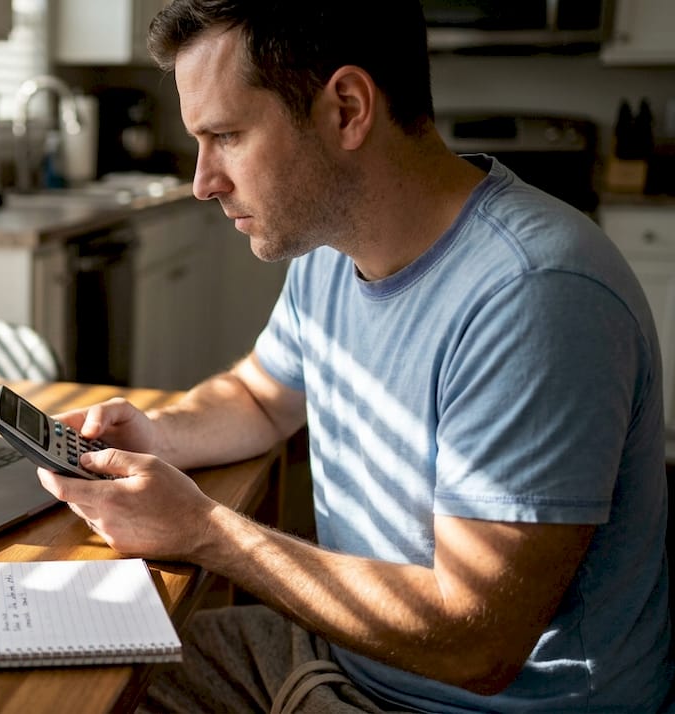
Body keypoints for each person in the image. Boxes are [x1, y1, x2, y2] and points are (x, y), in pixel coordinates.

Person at [33, 1, 674, 711]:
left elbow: (476, 643)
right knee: (64, 683)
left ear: (345, 109)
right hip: (353, 659)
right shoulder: (333, 253)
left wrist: (203, 530)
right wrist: (161, 435)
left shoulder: (536, 295)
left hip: (456, 700)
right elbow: (259, 394)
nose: (203, 181)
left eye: (227, 136)